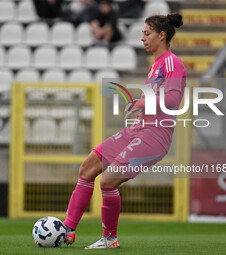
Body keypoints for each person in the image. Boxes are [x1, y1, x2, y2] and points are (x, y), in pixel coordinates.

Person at [62, 13, 186, 249]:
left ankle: (110, 238)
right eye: (142, 34)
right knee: (88, 167)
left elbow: (173, 98)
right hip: (138, 129)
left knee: (108, 181)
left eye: (146, 33)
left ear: (162, 35)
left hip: (155, 135)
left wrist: (141, 102)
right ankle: (67, 230)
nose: (142, 38)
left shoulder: (172, 62)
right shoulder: (156, 65)